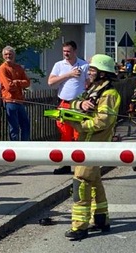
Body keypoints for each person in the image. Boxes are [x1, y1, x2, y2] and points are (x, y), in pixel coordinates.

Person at [60, 54, 121, 241]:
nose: (90, 72)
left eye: (93, 70)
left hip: (95, 144)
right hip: (87, 143)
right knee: (94, 181)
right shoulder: (93, 89)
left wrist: (79, 125)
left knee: (81, 181)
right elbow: (73, 102)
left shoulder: (109, 94)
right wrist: (81, 104)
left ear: (102, 73)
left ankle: (80, 227)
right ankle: (101, 219)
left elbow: (103, 120)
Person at [47, 40, 88, 175]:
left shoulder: (84, 65)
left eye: (68, 51)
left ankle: (80, 166)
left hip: (78, 105)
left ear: (75, 51)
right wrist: (68, 75)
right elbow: (51, 82)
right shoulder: (59, 65)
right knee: (64, 135)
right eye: (64, 51)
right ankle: (65, 165)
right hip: (64, 104)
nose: (66, 54)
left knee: (78, 135)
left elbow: (89, 83)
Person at [0, 45, 31, 142]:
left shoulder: (18, 67)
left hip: (20, 101)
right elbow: (9, 87)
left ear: (14, 55)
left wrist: (16, 82)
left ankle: (25, 145)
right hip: (10, 101)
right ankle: (14, 146)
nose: (8, 56)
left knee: (25, 125)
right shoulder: (2, 68)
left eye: (10, 54)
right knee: (14, 127)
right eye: (6, 54)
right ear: (3, 56)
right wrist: (20, 83)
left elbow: (28, 82)